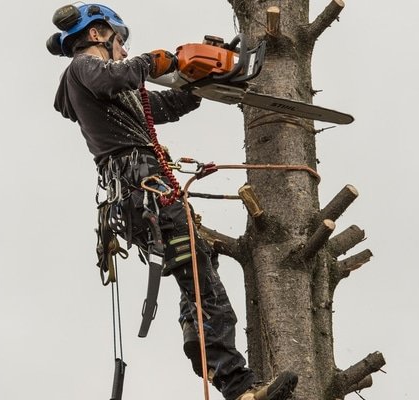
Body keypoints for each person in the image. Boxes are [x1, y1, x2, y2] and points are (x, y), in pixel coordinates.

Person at [46, 4, 298, 400]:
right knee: (204, 283)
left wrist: (194, 84)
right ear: (97, 35)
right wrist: (157, 60)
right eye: (121, 42)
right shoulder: (84, 69)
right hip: (142, 190)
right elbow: (122, 74)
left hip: (144, 193)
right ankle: (238, 387)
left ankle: (214, 359)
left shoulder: (113, 90)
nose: (125, 51)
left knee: (200, 268)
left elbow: (162, 107)